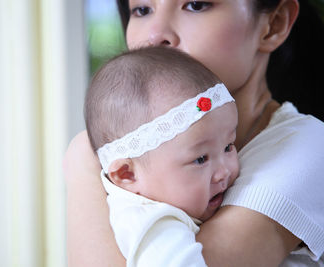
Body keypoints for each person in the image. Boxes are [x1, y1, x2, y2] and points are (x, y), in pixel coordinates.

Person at [64, 0, 324, 266]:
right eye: (142, 10)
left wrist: (82, 163)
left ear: (274, 24)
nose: (155, 34)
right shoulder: (129, 156)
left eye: (196, 5)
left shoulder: (308, 148)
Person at [85, 46, 239, 266]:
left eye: (228, 146)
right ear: (127, 174)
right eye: (200, 159)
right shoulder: (155, 227)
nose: (224, 170)